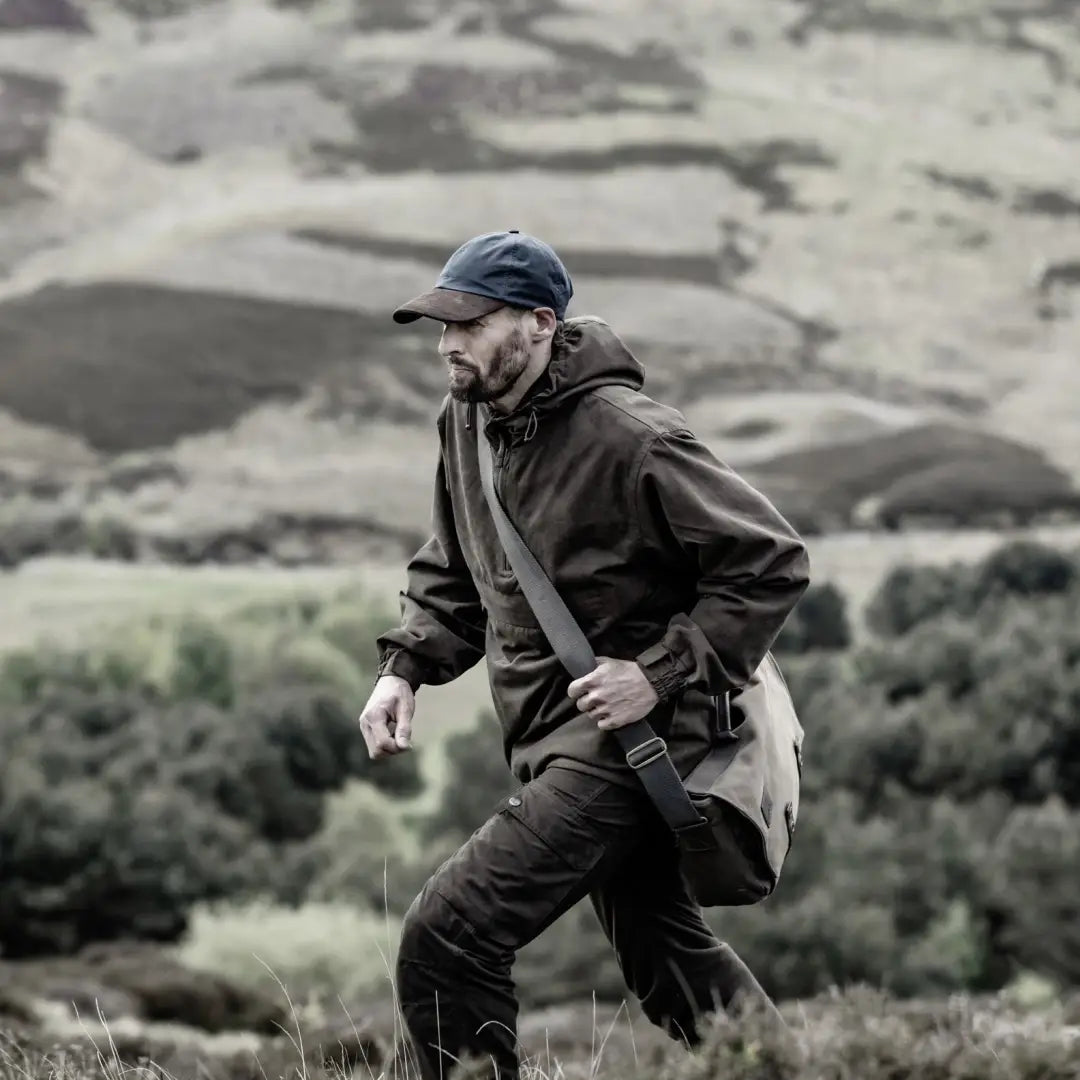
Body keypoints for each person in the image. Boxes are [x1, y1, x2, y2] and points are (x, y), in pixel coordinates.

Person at [358, 229, 811, 1079]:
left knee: (448, 937)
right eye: (440, 325)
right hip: (548, 740)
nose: (449, 344)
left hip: (630, 747)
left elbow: (771, 560)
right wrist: (405, 669)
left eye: (471, 324)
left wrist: (659, 673)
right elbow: (458, 567)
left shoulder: (628, 435)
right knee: (665, 956)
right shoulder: (465, 420)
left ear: (537, 322)